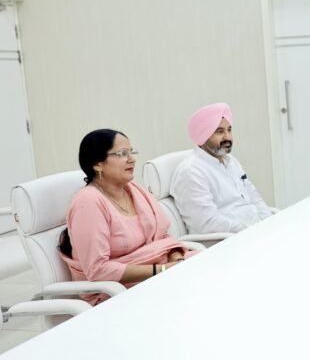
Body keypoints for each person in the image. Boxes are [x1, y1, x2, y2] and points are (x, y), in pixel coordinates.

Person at [59, 129, 194, 305]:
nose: (132, 159)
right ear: (98, 164)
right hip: (116, 293)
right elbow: (98, 270)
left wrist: (176, 258)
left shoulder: (134, 191)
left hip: (158, 276)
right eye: (123, 154)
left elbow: (162, 239)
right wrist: (161, 270)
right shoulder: (88, 203)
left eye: (131, 152)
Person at [170, 103, 273, 234]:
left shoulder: (231, 162)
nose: (228, 137)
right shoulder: (191, 172)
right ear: (203, 135)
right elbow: (207, 223)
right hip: (231, 239)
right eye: (220, 132)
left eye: (229, 130)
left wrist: (270, 223)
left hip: (256, 232)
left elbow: (254, 198)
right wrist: (252, 231)